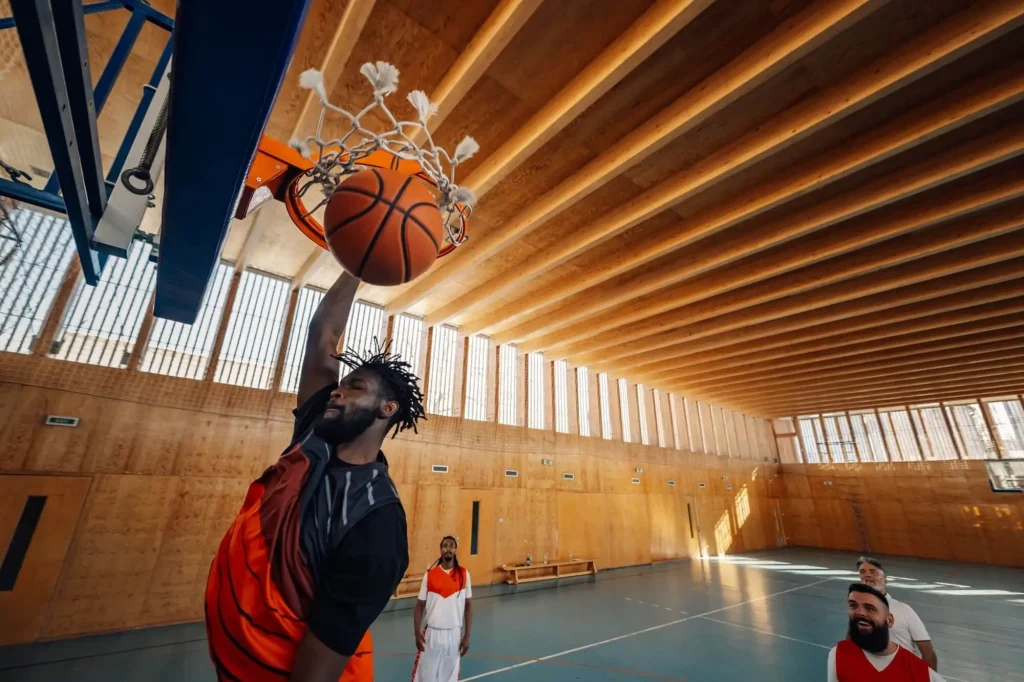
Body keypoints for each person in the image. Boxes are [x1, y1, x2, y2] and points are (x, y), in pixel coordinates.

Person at [205, 272, 423, 682]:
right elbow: (322, 334)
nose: (337, 392)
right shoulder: (313, 434)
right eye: (338, 386)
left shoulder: (375, 521)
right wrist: (361, 264)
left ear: (386, 410)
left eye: (354, 387)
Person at [828, 584, 946, 682]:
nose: (860, 612)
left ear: (890, 620)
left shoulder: (920, 672)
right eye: (853, 605)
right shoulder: (838, 654)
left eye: (870, 608)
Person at [411, 536, 473, 682]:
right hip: (432, 634)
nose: (448, 548)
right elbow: (419, 606)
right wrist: (416, 632)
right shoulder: (429, 575)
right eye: (445, 546)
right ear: (441, 550)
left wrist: (467, 635)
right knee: (426, 677)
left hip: (454, 634)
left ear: (455, 550)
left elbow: (469, 605)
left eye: (452, 546)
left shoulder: (464, 574)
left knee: (449, 677)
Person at [858, 556, 938, 671]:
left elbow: (929, 654)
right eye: (863, 572)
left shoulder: (904, 610)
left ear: (885, 580)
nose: (867, 575)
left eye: (873, 572)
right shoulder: (858, 611)